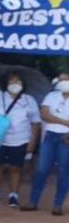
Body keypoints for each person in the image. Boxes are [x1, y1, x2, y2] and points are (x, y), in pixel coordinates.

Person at [0, 72, 40, 208]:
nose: (15, 84)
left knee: (16, 168)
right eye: (11, 81)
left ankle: (14, 195)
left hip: (20, 139)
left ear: (23, 84)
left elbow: (35, 123)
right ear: (6, 84)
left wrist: (32, 143)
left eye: (18, 81)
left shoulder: (29, 100)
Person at [27, 73, 69, 214]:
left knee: (64, 172)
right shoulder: (51, 96)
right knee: (41, 170)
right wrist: (64, 122)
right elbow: (44, 114)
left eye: (66, 79)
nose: (63, 82)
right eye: (61, 79)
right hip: (50, 136)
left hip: (67, 138)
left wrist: (56, 120)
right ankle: (33, 202)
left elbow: (48, 115)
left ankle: (58, 205)